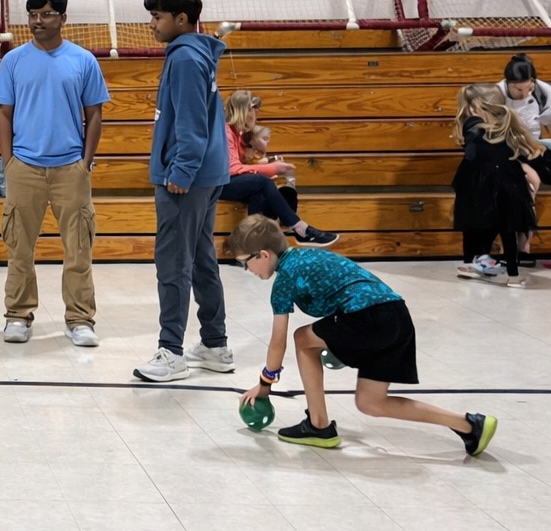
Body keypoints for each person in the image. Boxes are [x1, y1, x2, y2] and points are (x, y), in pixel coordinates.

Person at [230, 213, 497, 456]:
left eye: (245, 263)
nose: (247, 271)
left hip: (369, 318)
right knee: (371, 403)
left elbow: (278, 342)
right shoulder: (309, 256)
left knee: (302, 338)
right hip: (397, 316)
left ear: (263, 255)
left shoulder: (285, 278)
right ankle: (470, 425)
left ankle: (318, 425)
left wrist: (264, 385)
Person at [0, 0, 110, 347]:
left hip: (70, 169)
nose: (37, 21)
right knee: (19, 249)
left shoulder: (83, 60)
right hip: (23, 168)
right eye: (32, 14)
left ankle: (79, 319)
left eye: (45, 14)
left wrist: (85, 162)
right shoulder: (12, 61)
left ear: (62, 18)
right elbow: (3, 113)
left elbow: (95, 115)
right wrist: (9, 161)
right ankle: (18, 315)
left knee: (78, 250)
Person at [133, 0, 234, 383]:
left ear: (181, 20)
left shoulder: (186, 60)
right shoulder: (196, 53)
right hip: (206, 175)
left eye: (158, 17)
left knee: (174, 262)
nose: (152, 24)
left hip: (187, 180)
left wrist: (180, 171)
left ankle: (171, 351)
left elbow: (191, 124)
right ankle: (214, 344)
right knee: (202, 259)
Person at [452, 83, 543, 286]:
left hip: (481, 182)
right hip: (509, 181)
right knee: (507, 228)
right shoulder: (506, 124)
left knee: (472, 222)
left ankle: (473, 261)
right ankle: (512, 275)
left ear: (475, 108)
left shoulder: (473, 125)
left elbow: (471, 149)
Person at [221, 90, 337, 245]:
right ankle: (299, 228)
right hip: (216, 185)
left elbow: (243, 166)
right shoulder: (226, 132)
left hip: (228, 182)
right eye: (253, 109)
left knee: (260, 194)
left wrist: (260, 155)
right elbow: (233, 169)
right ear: (243, 111)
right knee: (262, 182)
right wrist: (273, 168)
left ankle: (255, 246)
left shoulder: (240, 133)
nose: (256, 114)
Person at [499, 53, 551, 263]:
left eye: (527, 88)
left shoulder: (543, 91)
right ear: (508, 84)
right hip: (504, 151)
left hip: (534, 148)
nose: (523, 93)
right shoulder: (497, 93)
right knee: (528, 185)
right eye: (517, 89)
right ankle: (521, 249)